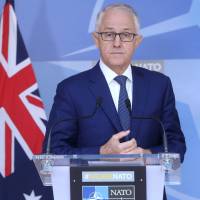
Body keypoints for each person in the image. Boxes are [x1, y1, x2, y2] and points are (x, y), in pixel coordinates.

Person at [43, 4, 186, 162]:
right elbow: (53, 152)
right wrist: (101, 153)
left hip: (147, 185)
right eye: (109, 34)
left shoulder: (159, 86)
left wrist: (147, 155)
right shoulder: (71, 90)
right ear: (96, 39)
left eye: (126, 35)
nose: (117, 43)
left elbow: (176, 146)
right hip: (92, 186)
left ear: (137, 41)